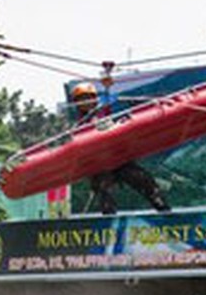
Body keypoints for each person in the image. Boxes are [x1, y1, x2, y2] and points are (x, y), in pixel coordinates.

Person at [70, 81, 170, 215]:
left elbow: (110, 103)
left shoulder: (103, 111)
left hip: (118, 160)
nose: (86, 102)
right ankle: (109, 218)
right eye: (82, 100)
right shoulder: (80, 124)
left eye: (88, 98)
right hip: (100, 166)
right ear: (77, 104)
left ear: (94, 100)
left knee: (143, 179)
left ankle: (163, 209)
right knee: (104, 188)